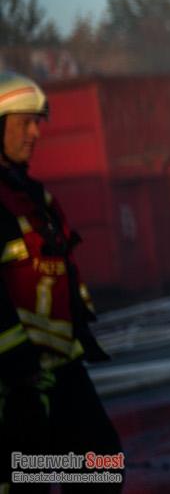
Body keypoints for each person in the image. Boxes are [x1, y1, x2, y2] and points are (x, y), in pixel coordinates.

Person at [0, 71, 123, 490]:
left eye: (37, 123)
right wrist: (17, 365)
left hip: (60, 368)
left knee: (100, 467)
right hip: (15, 381)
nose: (36, 133)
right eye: (25, 123)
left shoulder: (35, 198)